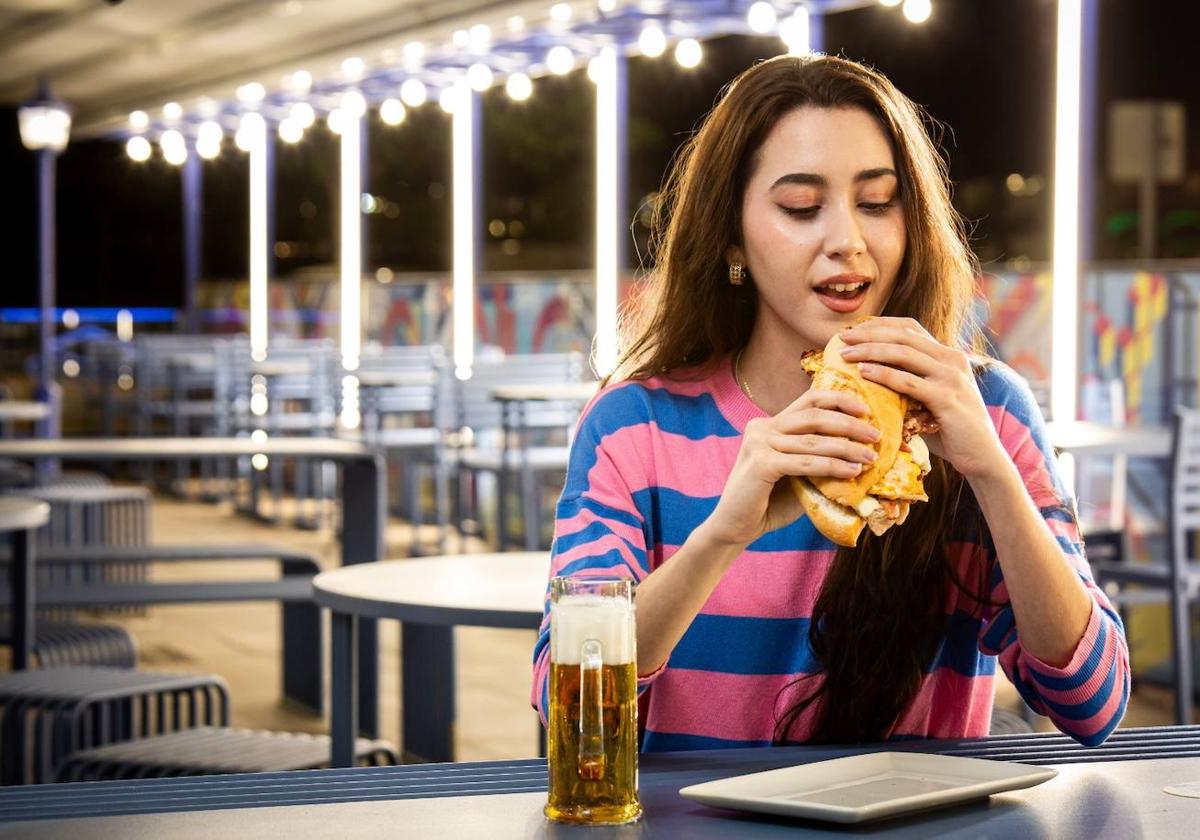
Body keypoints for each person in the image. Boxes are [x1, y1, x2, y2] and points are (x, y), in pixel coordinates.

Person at [531, 54, 1129, 748]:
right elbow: (564, 706)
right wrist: (724, 533)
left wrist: (992, 474)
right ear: (731, 234)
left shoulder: (981, 408)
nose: (848, 241)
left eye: (877, 203)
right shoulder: (632, 425)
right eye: (800, 208)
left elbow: (1093, 705)